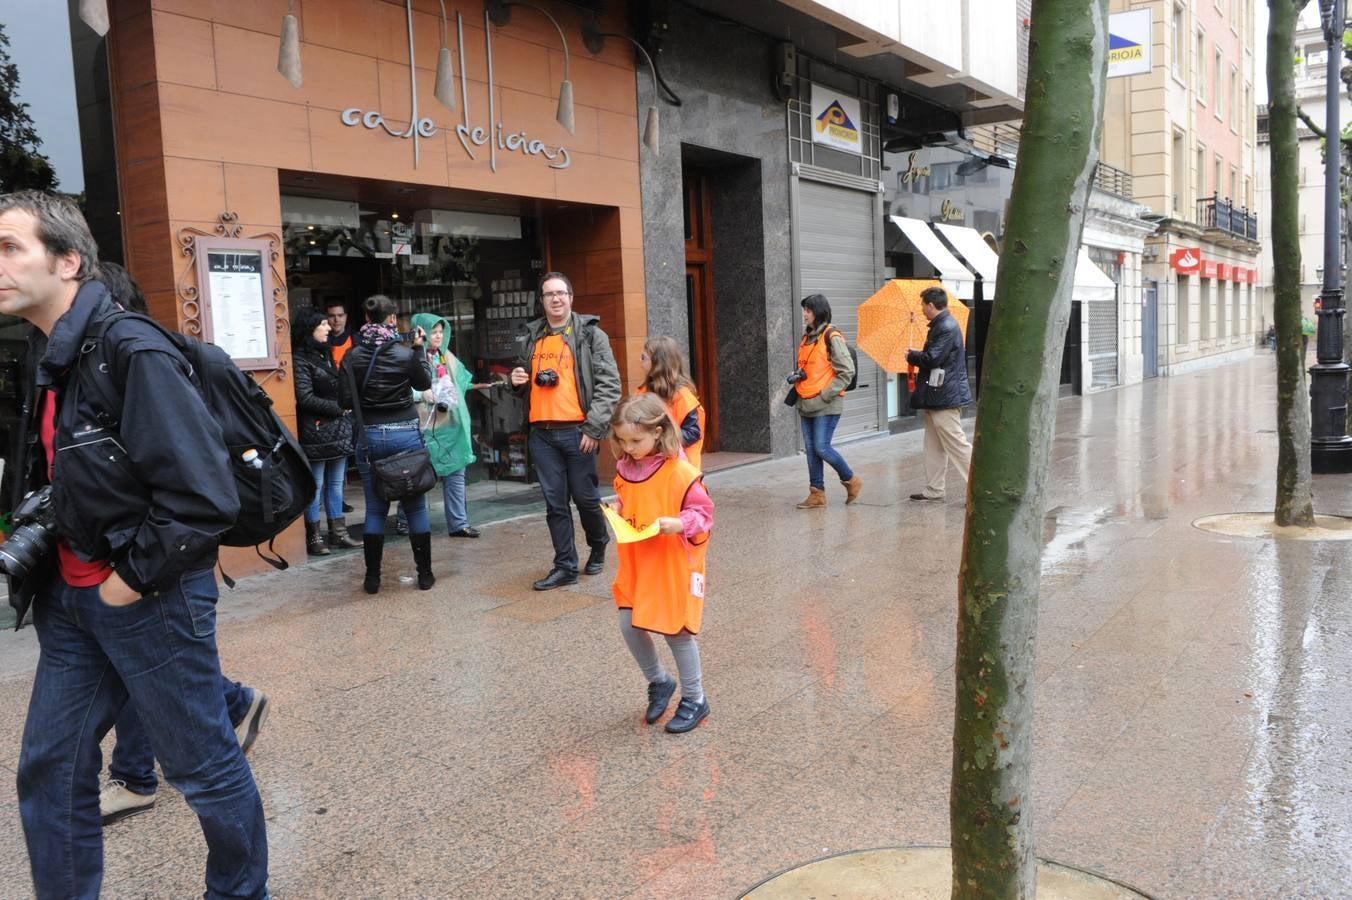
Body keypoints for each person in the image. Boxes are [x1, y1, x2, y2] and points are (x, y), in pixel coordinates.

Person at [0, 190, 268, 897]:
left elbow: (205, 496)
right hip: (70, 600)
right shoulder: (47, 354)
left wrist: (127, 583)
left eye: (8, 247)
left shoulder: (131, 348)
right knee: (51, 767)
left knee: (202, 768)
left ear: (68, 262)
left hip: (149, 598)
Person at [91, 264, 271, 828]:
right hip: (146, 555)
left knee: (163, 690)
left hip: (163, 557)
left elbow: (195, 488)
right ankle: (230, 705)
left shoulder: (144, 360)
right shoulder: (116, 361)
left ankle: (136, 775)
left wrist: (135, 573)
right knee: (150, 671)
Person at [609, 394, 714, 733]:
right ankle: (660, 681)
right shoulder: (626, 469)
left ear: (657, 432)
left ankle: (695, 698)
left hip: (670, 563)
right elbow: (630, 498)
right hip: (638, 563)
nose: (629, 447)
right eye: (622, 440)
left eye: (636, 440)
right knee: (630, 625)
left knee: (676, 633)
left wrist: (680, 523)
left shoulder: (681, 472)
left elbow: (704, 513)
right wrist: (619, 507)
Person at [510, 272, 621, 591]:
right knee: (554, 503)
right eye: (549, 294)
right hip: (542, 433)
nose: (555, 299)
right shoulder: (533, 336)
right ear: (541, 300)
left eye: (561, 293)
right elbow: (523, 382)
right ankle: (565, 566)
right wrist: (516, 381)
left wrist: (594, 428)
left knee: (585, 498)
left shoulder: (590, 335)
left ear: (571, 297)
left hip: (578, 431)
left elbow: (609, 385)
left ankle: (598, 543)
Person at [340, 294, 434, 593]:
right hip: (405, 433)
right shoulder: (405, 354)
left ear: (366, 320)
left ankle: (373, 578)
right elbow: (424, 384)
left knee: (375, 510)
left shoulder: (351, 357)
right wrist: (419, 351)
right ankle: (425, 575)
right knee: (416, 507)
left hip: (369, 438)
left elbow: (343, 400)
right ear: (392, 319)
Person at [409, 311, 483, 539]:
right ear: (420, 331)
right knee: (417, 478)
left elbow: (460, 384)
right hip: (422, 428)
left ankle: (459, 524)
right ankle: (405, 520)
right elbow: (399, 389)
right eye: (434, 331)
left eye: (441, 331)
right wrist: (422, 395)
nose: (439, 336)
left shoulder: (446, 357)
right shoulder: (409, 357)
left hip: (451, 427)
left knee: (456, 474)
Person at [292, 306, 359, 555]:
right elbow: (304, 398)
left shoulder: (326, 354)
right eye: (323, 324)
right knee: (316, 485)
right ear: (310, 329)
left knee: (335, 485)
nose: (329, 327)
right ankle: (313, 538)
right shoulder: (300, 359)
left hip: (337, 430)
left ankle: (338, 534)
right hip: (317, 431)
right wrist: (339, 407)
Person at [787, 293, 861, 509]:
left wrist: (826, 394)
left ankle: (851, 480)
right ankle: (817, 493)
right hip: (805, 401)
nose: (805, 315)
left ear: (818, 312)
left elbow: (847, 371)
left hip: (826, 403)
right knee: (811, 450)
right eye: (804, 310)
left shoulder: (832, 336)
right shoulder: (807, 337)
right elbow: (812, 366)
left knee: (821, 447)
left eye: (808, 311)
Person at [906, 285, 974, 502]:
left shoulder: (945, 326)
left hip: (944, 397)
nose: (922, 309)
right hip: (937, 396)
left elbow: (932, 358)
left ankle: (981, 489)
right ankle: (935, 489)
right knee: (933, 446)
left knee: (957, 445)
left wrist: (912, 356)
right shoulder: (941, 325)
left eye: (923, 305)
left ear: (931, 305)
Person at [636, 335, 706, 470]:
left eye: (644, 357)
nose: (640, 361)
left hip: (679, 468)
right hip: (651, 464)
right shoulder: (642, 392)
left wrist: (660, 441)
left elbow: (693, 433)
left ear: (658, 363)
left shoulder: (683, 396)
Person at [326, 299, 354, 367]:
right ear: (326, 318)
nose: (336, 320)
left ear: (346, 317)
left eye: (340, 315)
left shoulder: (356, 341)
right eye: (332, 316)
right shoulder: (320, 341)